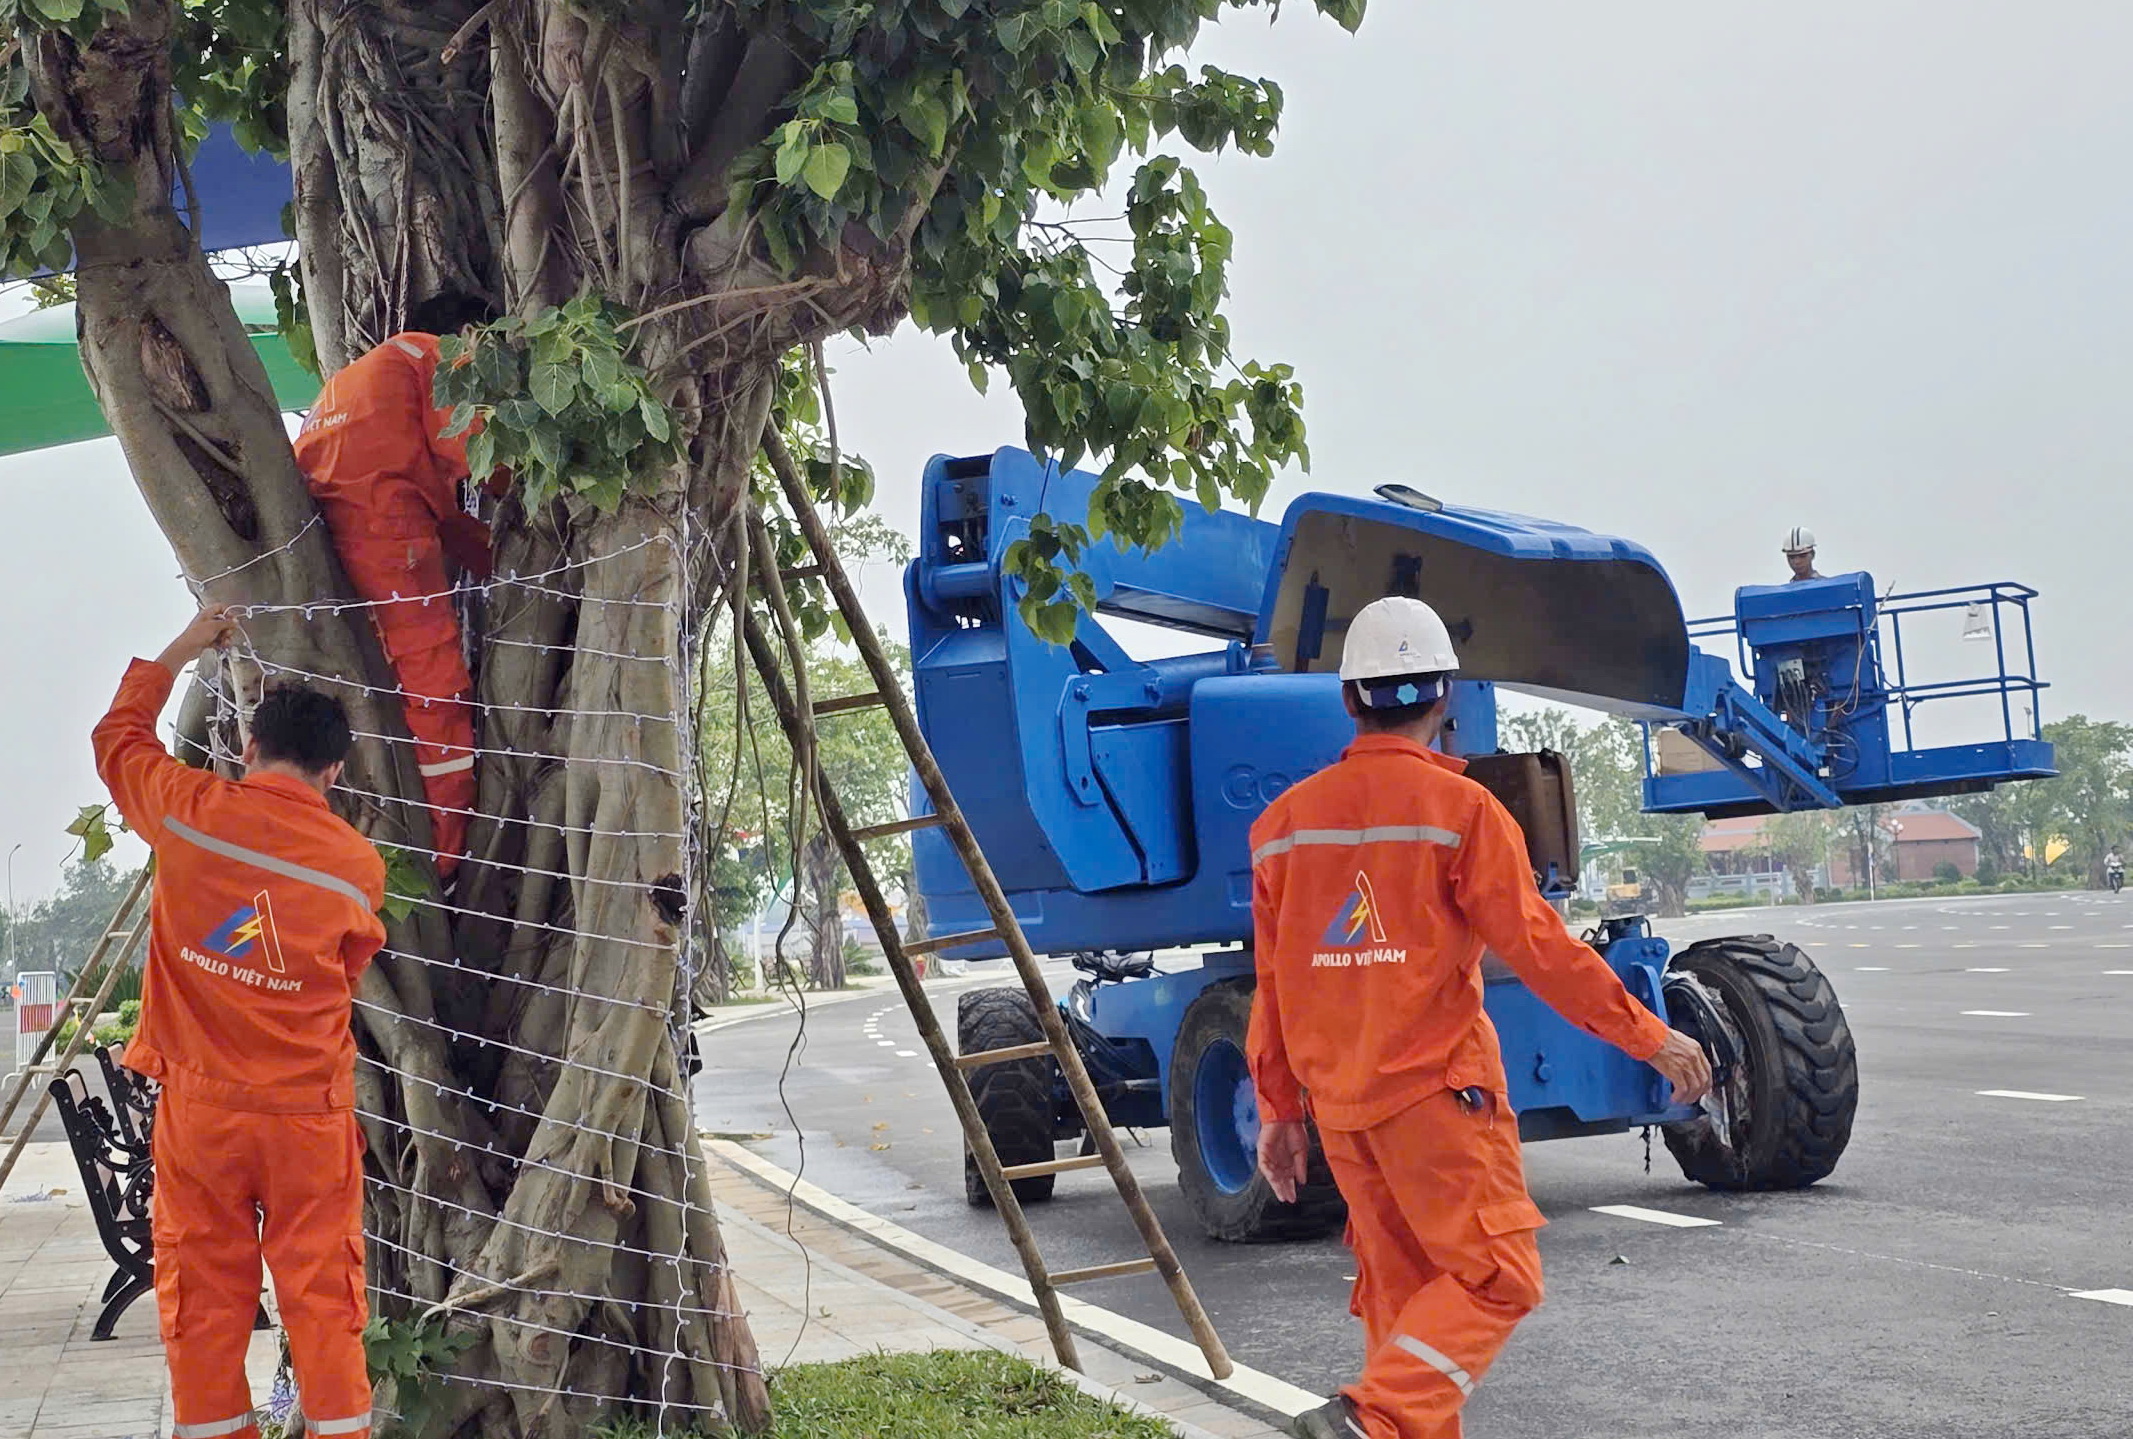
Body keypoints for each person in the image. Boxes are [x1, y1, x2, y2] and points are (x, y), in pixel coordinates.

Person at [1247, 596, 1712, 1439]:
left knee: (1407, 1312)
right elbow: (1542, 952)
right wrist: (1652, 1035)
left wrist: (1278, 1110)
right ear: (1443, 698)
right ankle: (1365, 1417)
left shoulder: (1282, 827)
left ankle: (1375, 1418)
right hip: (1436, 1099)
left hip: (1344, 1116)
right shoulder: (1462, 814)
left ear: (1348, 698)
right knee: (1497, 1277)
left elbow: (1272, 982)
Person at [94, 604, 387, 1439]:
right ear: (335, 773)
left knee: (205, 1305)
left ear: (250, 749)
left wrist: (190, 641)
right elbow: (346, 970)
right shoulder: (356, 869)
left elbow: (117, 735)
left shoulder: (186, 811)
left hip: (203, 1119)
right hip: (306, 1122)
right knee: (325, 1306)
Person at [294, 292, 499, 883]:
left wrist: (491, 559)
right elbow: (485, 450)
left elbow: (443, 510)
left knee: (380, 700)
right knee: (437, 693)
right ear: (469, 336)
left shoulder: (349, 381)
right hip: (389, 545)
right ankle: (445, 859)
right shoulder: (431, 353)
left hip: (335, 547)